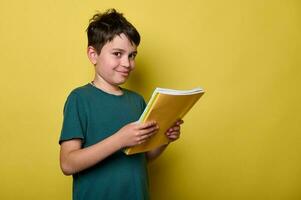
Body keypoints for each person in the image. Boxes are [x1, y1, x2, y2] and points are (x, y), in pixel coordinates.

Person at [59, 8, 183, 200]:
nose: (127, 63)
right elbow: (67, 163)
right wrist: (120, 139)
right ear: (93, 54)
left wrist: (165, 139)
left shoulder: (137, 101)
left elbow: (143, 158)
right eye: (118, 53)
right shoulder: (79, 99)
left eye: (132, 55)